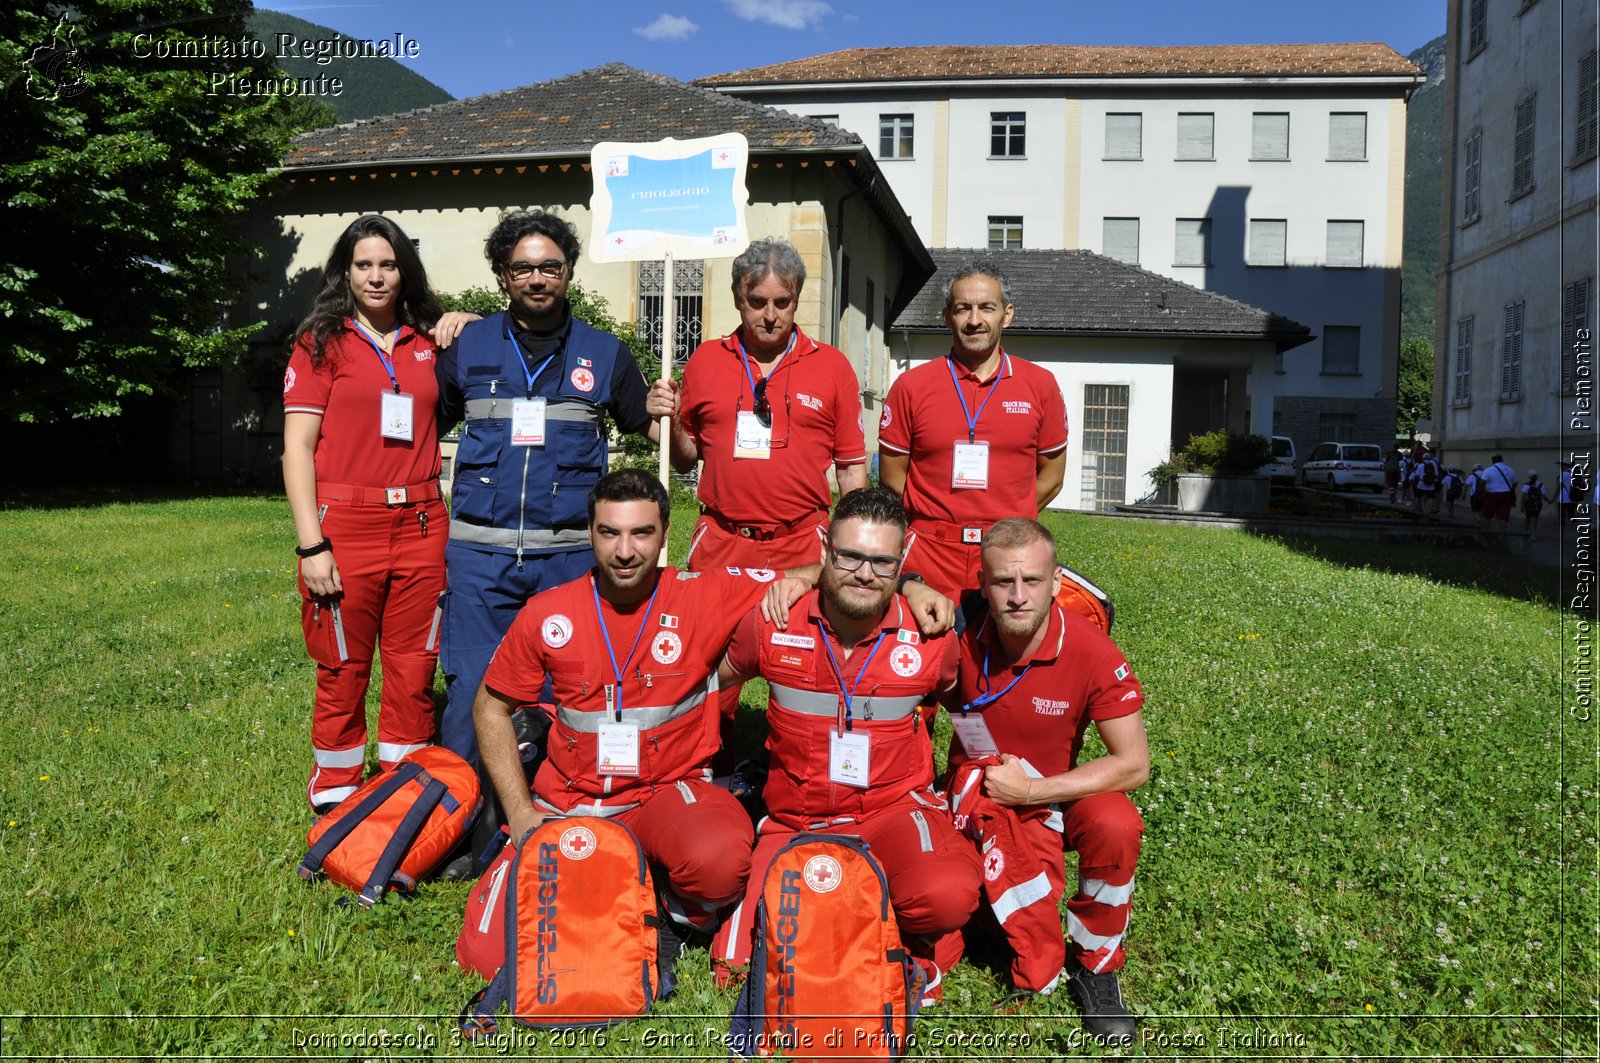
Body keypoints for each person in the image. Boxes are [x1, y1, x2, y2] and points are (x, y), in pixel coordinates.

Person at [470, 469, 803, 946]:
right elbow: (489, 708)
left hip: (667, 793)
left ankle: (667, 912)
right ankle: (625, 884)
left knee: (719, 863)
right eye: (610, 533)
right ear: (591, 533)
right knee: (492, 950)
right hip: (572, 801)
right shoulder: (548, 613)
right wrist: (520, 813)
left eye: (641, 533)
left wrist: (906, 584)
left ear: (668, 533)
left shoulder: (703, 592)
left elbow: (824, 573)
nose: (625, 551)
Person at [434, 210, 690, 775]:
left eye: (549, 266)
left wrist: (673, 419)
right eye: (522, 268)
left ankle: (555, 806)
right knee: (470, 694)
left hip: (568, 563)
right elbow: (419, 426)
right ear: (503, 275)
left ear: (569, 271)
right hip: (479, 561)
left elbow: (675, 449)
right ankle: (460, 819)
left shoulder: (606, 355)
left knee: (566, 694)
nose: (537, 278)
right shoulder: (467, 345)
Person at [712, 488, 983, 1002]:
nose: (864, 573)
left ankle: (868, 921)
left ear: (901, 563)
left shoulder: (929, 635)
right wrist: (707, 767)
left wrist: (976, 777)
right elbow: (719, 682)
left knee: (946, 895)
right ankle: (856, 920)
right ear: (824, 552)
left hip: (892, 811)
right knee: (734, 964)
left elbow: (968, 711)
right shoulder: (775, 620)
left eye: (882, 562)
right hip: (797, 817)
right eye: (850, 557)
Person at [939, 518, 1148, 1043]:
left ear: (1057, 582)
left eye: (1032, 581)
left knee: (1115, 822)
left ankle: (1095, 964)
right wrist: (915, 583)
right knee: (951, 899)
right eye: (1002, 583)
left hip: (1051, 791)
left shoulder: (1092, 649)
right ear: (981, 585)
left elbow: (1134, 764)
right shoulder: (957, 629)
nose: (1016, 596)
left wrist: (1033, 791)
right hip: (975, 795)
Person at [282, 215, 449, 812]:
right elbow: (297, 448)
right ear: (345, 272)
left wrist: (465, 322)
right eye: (363, 265)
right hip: (346, 526)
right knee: (342, 666)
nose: (376, 277)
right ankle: (335, 794)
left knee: (413, 668)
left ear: (406, 271)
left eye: (388, 264)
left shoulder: (431, 341)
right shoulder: (320, 343)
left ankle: (404, 793)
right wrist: (311, 544)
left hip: (424, 525)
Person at [661, 238, 869, 572]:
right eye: (757, 302)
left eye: (782, 302)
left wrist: (858, 546)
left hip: (802, 546)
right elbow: (685, 460)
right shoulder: (705, 361)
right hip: (721, 543)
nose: (770, 316)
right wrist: (671, 424)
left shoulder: (833, 367)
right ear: (736, 297)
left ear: (797, 299)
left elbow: (850, 470)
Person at [879, 260, 1068, 598]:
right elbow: (894, 477)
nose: (975, 320)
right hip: (930, 552)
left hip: (1009, 556)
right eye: (963, 308)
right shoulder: (912, 386)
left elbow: (1052, 476)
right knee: (923, 648)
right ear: (946, 315)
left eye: (987, 308)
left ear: (1007, 315)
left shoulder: (1040, 386)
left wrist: (1009, 520)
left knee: (1003, 648)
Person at [1479, 454, 1517, 531]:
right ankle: (1501, 534)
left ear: (1492, 461)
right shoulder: (1510, 469)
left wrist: (1484, 492)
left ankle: (1488, 533)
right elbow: (1515, 482)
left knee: (1487, 515)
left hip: (1491, 494)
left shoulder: (1489, 470)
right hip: (1506, 494)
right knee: (1503, 516)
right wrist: (1511, 490)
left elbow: (1482, 482)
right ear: (1502, 460)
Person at [1521, 470, 1550, 540]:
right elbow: (1543, 496)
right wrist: (1549, 501)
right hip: (1537, 505)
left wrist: (1521, 506)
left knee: (1527, 519)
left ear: (1529, 476)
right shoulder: (1541, 485)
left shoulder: (1526, 485)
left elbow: (1523, 497)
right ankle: (1533, 535)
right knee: (1535, 519)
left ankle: (1525, 534)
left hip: (1528, 504)